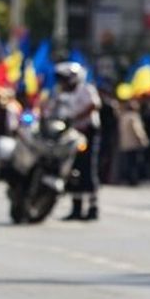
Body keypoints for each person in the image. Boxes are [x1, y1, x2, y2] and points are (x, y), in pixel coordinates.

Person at [48, 62, 101, 220]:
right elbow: (52, 110)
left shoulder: (85, 89)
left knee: (87, 169)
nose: (62, 82)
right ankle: (76, 207)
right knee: (72, 168)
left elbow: (94, 105)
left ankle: (92, 206)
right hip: (68, 134)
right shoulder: (61, 93)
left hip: (86, 133)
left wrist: (77, 118)